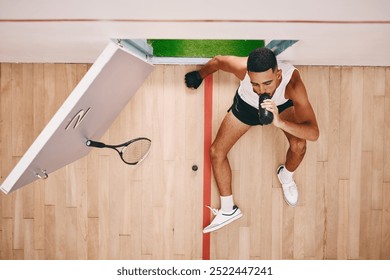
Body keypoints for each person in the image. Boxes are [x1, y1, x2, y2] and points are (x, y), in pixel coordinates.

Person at [184, 48, 319, 233]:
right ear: (247, 75)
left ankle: (285, 177)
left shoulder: (293, 85)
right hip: (247, 107)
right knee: (216, 152)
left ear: (278, 74)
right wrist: (199, 76)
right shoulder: (242, 69)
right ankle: (228, 209)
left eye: (267, 83)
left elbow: (313, 133)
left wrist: (279, 122)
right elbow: (217, 61)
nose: (261, 91)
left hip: (282, 108)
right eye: (255, 84)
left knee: (299, 145)